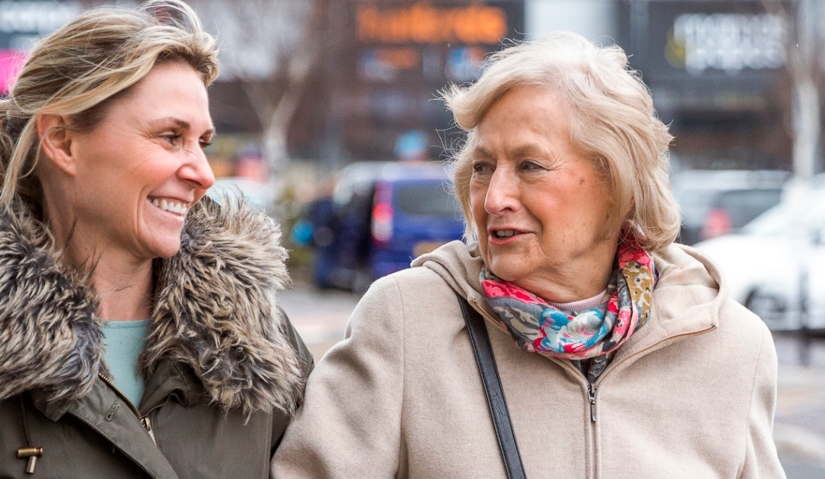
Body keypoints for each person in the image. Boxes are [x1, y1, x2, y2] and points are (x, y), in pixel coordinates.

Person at [273, 32, 784, 478]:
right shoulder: (406, 323)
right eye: (482, 167)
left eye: (531, 165)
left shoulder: (731, 347)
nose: (494, 198)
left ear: (620, 187)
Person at [0, 0, 311, 478]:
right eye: (171, 137)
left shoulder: (261, 345)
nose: (203, 173)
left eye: (203, 142)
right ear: (63, 141)